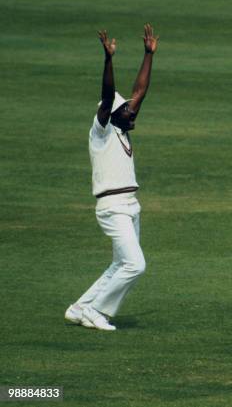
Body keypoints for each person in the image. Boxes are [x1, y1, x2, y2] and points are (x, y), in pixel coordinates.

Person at [64, 24, 159, 331]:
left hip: (131, 206)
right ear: (111, 114)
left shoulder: (122, 126)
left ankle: (80, 308)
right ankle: (97, 311)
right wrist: (108, 60)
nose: (132, 113)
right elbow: (108, 97)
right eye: (126, 111)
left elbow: (139, 92)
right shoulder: (102, 130)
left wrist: (148, 54)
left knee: (120, 264)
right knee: (135, 264)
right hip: (113, 207)